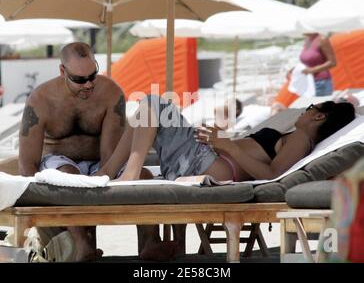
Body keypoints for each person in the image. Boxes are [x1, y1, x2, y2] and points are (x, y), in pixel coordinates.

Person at [96, 95, 355, 260]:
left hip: (209, 165)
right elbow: (258, 157)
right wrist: (223, 140)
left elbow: (273, 175)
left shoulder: (301, 138)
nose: (304, 111)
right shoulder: (295, 136)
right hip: (207, 160)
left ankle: (120, 173)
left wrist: (228, 146)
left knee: (153, 104)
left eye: (311, 108)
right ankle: (112, 175)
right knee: (145, 113)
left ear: (319, 116)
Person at [18, 42, 130, 262]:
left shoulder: (111, 93)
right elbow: (27, 163)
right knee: (68, 175)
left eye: (93, 75)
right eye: (80, 80)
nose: (88, 84)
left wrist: (103, 177)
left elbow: (109, 156)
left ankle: (150, 243)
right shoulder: (40, 99)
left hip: (99, 163)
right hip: (60, 164)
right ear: (62, 71)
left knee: (143, 175)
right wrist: (36, 205)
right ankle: (82, 243)